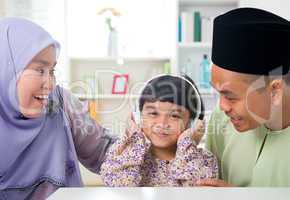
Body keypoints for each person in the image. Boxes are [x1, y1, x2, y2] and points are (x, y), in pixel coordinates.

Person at [0, 17, 116, 199]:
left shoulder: (61, 103)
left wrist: (152, 144)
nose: (50, 84)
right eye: (40, 70)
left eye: (52, 71)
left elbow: (106, 153)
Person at [196, 8, 290, 187]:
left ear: (275, 91)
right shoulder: (222, 118)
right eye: (218, 93)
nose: (222, 107)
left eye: (231, 97)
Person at [100, 74, 218, 186]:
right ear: (138, 116)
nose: (162, 124)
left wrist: (187, 142)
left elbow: (196, 192)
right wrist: (135, 139)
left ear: (192, 123)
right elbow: (119, 186)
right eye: (153, 113)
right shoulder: (123, 153)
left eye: (175, 116)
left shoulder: (204, 160)